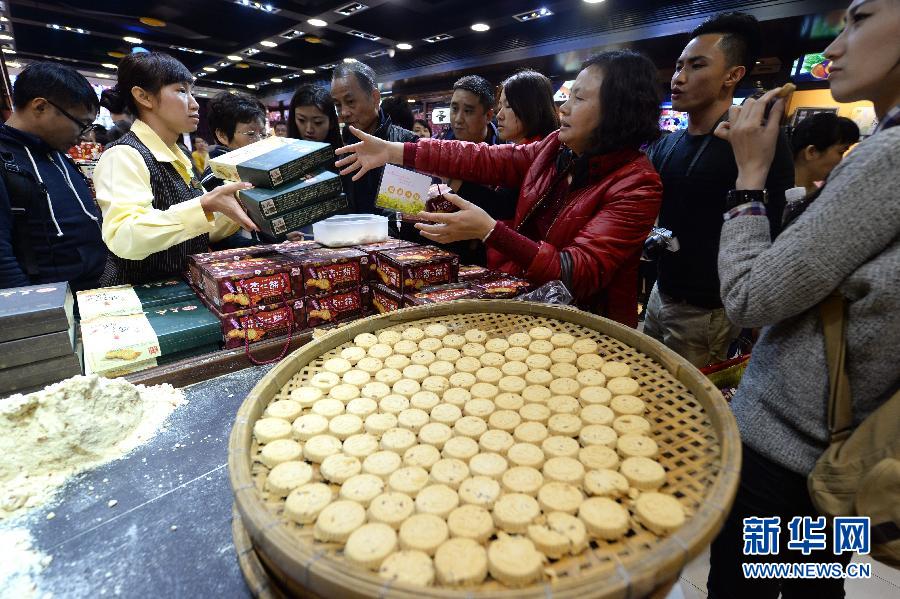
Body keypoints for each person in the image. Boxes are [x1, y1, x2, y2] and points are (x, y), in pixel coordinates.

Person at [707, 0, 900, 596]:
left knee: (747, 585)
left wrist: (748, 176)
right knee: (817, 586)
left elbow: (747, 296)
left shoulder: (887, 156)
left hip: (787, 453)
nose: (834, 47)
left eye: (860, 19)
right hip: (853, 450)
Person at [336, 50, 664, 327]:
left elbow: (575, 271)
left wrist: (490, 231)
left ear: (617, 109)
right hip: (532, 305)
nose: (563, 108)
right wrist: (395, 151)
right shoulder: (559, 148)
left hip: (590, 325)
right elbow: (488, 158)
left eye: (578, 98)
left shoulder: (637, 184)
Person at [643, 12, 794, 368]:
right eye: (679, 66)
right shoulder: (670, 143)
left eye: (696, 66)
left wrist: (760, 313)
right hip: (661, 291)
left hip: (711, 307)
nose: (679, 78)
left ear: (733, 75)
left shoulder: (756, 140)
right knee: (642, 382)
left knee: (687, 410)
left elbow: (775, 225)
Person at [93, 52, 256, 285]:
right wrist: (203, 204)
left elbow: (198, 231)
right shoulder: (123, 155)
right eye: (181, 91)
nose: (194, 103)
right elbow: (123, 236)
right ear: (144, 97)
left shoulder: (180, 155)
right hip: (140, 295)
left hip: (183, 288)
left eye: (191, 91)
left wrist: (242, 202)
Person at [0, 62, 106, 291]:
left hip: (96, 294)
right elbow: (2, 260)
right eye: (82, 124)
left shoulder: (56, 152)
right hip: (53, 308)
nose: (84, 136)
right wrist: (34, 315)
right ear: (40, 107)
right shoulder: (6, 160)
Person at [330, 60, 418, 215]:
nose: (343, 112)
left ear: (375, 97)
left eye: (350, 102)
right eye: (337, 105)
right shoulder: (344, 149)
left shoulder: (406, 144)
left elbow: (406, 216)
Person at [201, 90, 268, 191]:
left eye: (263, 134)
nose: (260, 141)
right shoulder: (215, 179)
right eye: (251, 134)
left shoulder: (262, 166)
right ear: (222, 135)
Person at [790, 112, 859, 196]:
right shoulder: (776, 196)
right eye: (841, 152)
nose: (842, 161)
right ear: (812, 152)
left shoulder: (825, 193)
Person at [496, 69, 559, 145]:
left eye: (508, 106)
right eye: (499, 108)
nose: (499, 116)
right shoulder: (520, 152)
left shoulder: (542, 153)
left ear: (533, 108)